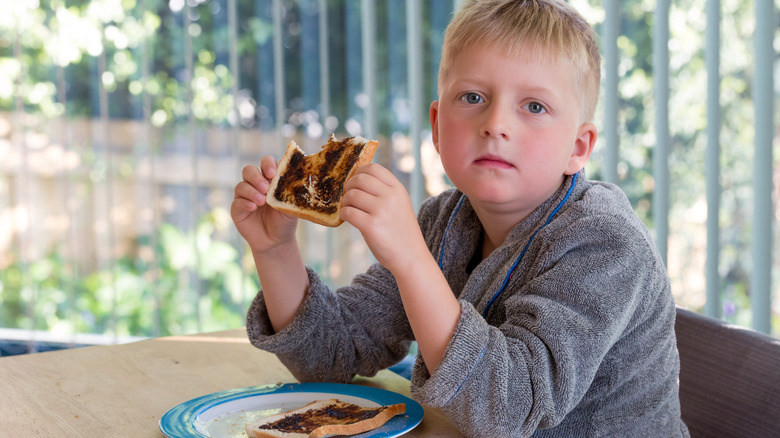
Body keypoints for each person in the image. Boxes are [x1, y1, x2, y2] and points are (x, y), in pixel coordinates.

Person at [230, 0, 690, 436]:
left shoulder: (605, 243)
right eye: (472, 97)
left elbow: (505, 411)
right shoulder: (443, 222)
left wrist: (411, 260)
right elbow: (333, 354)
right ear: (435, 126)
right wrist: (275, 250)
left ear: (578, 147)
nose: (495, 124)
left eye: (534, 106)